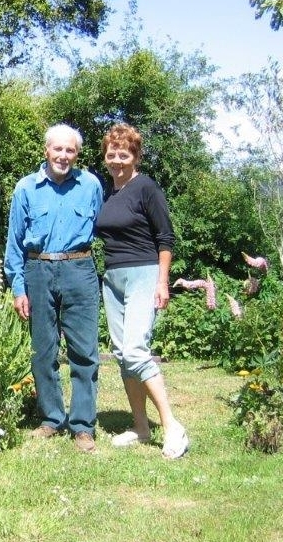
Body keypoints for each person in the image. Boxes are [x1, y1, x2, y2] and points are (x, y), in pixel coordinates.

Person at [4, 123, 103, 453]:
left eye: (70, 150)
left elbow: (105, 227)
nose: (63, 155)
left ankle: (83, 425)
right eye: (58, 149)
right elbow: (14, 243)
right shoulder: (25, 189)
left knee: (84, 351)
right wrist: (18, 287)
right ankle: (51, 419)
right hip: (38, 270)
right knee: (43, 351)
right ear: (46, 150)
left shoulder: (90, 185)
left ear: (77, 154)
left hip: (80, 269)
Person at [94, 122, 189, 459]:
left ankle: (172, 425)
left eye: (124, 154)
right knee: (123, 354)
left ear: (135, 156)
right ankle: (141, 427)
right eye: (111, 154)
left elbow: (165, 238)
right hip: (114, 278)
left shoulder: (146, 187)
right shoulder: (109, 193)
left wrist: (162, 281)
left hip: (144, 274)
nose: (117, 160)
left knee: (135, 349)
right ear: (105, 156)